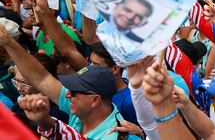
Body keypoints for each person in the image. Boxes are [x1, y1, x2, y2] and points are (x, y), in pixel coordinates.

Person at [0, 23, 137, 139]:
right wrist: (9, 43)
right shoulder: (82, 109)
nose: (67, 95)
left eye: (73, 92)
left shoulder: (115, 135)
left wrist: (45, 121)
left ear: (95, 100)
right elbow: (41, 78)